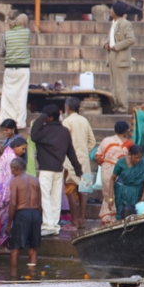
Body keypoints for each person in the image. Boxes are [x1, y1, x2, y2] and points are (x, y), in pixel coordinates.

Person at [30, 105, 82, 236]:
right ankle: (54, 225)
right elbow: (71, 151)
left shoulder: (43, 130)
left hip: (46, 169)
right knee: (55, 197)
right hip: (59, 168)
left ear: (50, 117)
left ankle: (48, 224)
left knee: (45, 197)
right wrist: (78, 168)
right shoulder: (64, 131)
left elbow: (33, 135)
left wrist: (42, 117)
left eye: (45, 116)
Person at [61, 98, 96, 230]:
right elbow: (92, 141)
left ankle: (74, 221)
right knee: (83, 192)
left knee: (70, 190)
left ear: (67, 108)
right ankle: (82, 220)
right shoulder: (84, 120)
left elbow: (63, 141)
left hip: (70, 161)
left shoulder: (67, 121)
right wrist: (83, 152)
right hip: (84, 161)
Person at [0, 137, 27, 250]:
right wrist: (7, 198)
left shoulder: (6, 153)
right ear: (16, 146)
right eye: (22, 149)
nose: (23, 152)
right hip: (2, 191)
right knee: (3, 219)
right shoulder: (12, 158)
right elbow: (9, 179)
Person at [7, 157, 42, 277]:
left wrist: (8, 224)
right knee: (33, 248)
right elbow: (40, 204)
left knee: (15, 248)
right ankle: (32, 275)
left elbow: (13, 204)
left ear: (16, 169)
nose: (11, 172)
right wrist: (39, 219)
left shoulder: (15, 181)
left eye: (11, 169)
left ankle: (13, 277)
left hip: (22, 215)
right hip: (36, 214)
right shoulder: (35, 180)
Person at [95, 120, 132, 224]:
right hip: (122, 172)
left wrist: (106, 164)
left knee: (108, 197)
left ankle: (107, 219)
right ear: (126, 131)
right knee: (120, 196)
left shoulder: (106, 141)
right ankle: (117, 219)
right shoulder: (129, 144)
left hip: (107, 170)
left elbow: (98, 157)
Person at [0, 13, 31, 129]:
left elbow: (1, 51)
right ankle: (20, 123)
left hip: (9, 69)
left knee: (8, 95)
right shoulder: (27, 33)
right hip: (23, 69)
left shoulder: (6, 34)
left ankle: (4, 120)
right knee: (21, 96)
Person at [103, 0, 136, 114]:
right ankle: (115, 106)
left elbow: (131, 39)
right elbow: (109, 38)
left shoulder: (125, 23)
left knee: (120, 85)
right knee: (114, 84)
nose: (109, 10)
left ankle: (122, 108)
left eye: (111, 8)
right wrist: (106, 44)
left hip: (121, 58)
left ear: (116, 11)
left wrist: (116, 47)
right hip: (112, 57)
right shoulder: (114, 23)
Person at [109, 144, 144, 220]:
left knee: (136, 218)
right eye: (135, 157)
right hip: (122, 196)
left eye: (140, 158)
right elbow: (112, 179)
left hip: (137, 195)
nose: (138, 160)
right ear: (130, 155)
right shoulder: (121, 163)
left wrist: (142, 199)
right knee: (121, 217)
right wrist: (110, 198)